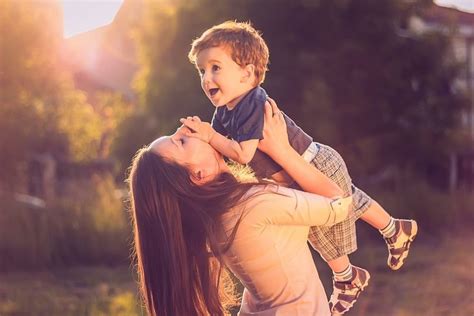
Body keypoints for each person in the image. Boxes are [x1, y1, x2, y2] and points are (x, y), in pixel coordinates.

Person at [182, 21, 418, 314]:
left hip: (312, 162)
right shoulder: (223, 113)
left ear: (247, 73)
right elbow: (219, 151)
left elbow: (242, 154)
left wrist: (209, 135)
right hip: (293, 176)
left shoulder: (252, 102)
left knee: (337, 214)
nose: (206, 78)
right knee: (330, 216)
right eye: (202, 71)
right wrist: (195, 139)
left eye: (215, 67)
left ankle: (355, 269)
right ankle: (389, 235)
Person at [128, 100, 353, 315]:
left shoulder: (218, 216)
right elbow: (339, 204)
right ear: (198, 175)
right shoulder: (253, 203)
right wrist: (282, 151)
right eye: (181, 142)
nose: (185, 129)